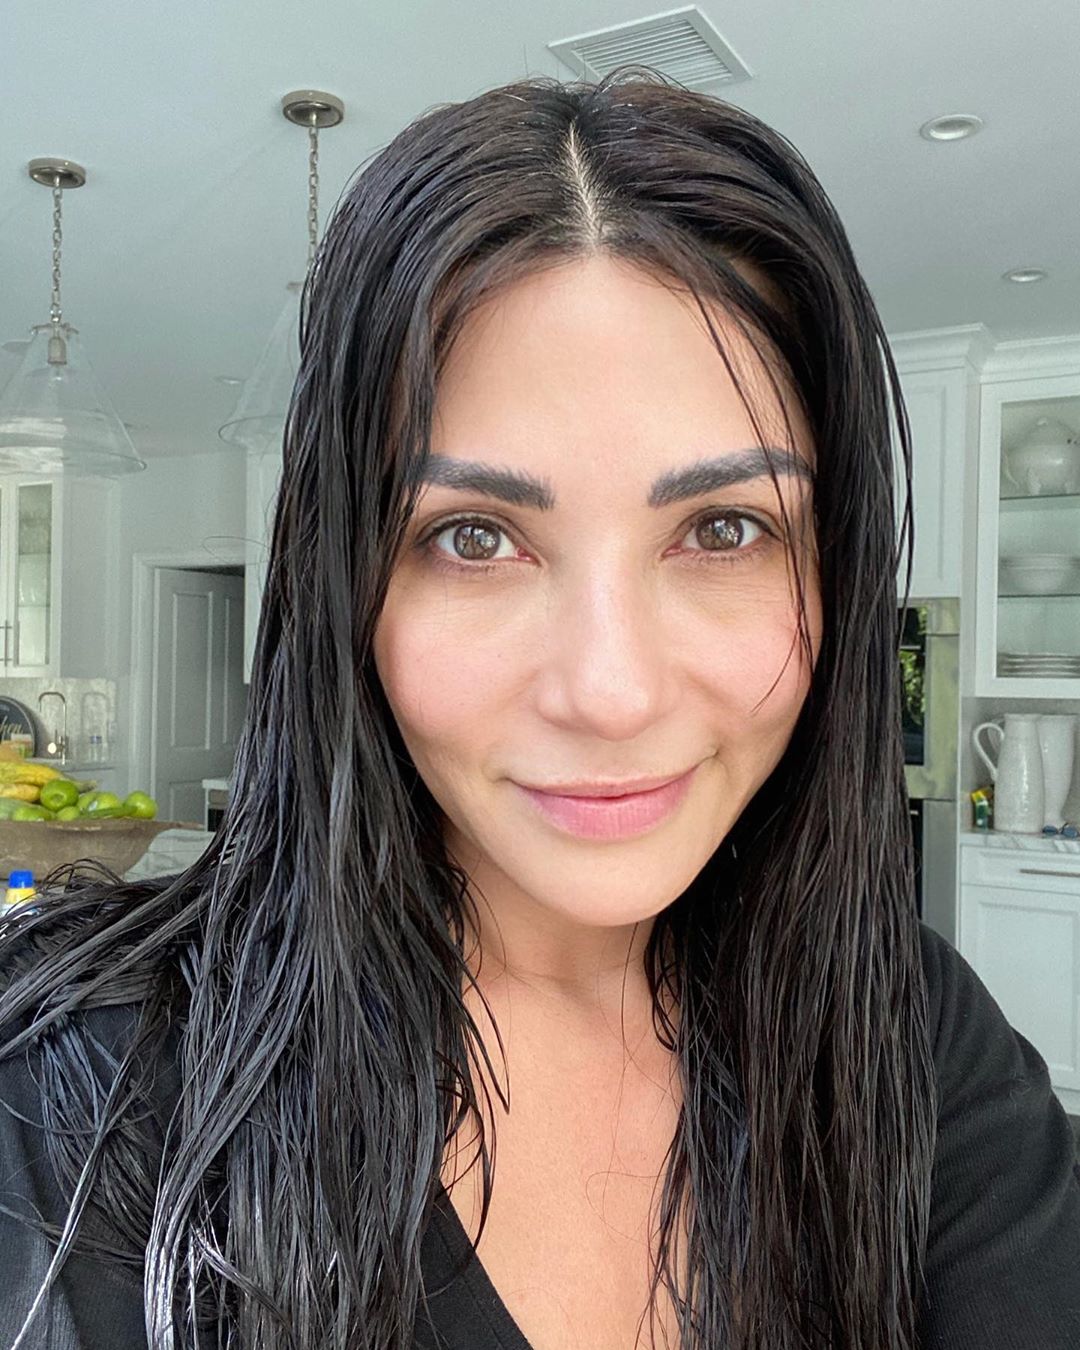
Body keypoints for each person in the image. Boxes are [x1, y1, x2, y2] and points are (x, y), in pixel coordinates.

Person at [1, 69, 1078, 1350]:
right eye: (473, 537)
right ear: (345, 586)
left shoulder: (909, 1033)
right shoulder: (74, 1106)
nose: (611, 693)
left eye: (724, 529)